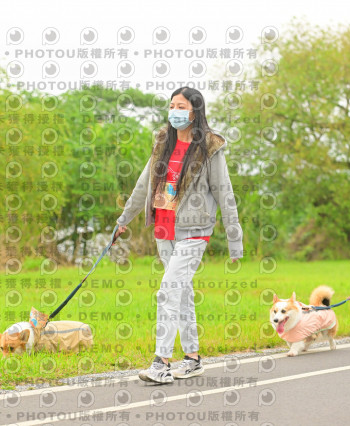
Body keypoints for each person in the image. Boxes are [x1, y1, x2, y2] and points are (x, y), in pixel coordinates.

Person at [115, 86, 243, 383]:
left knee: (168, 291)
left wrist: (234, 240)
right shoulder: (163, 143)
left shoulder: (209, 148)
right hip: (164, 229)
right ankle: (193, 358)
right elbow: (143, 186)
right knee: (181, 293)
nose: (174, 111)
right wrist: (123, 219)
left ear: (195, 112)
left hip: (194, 231)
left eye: (181, 106)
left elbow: (225, 194)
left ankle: (161, 362)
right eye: (172, 105)